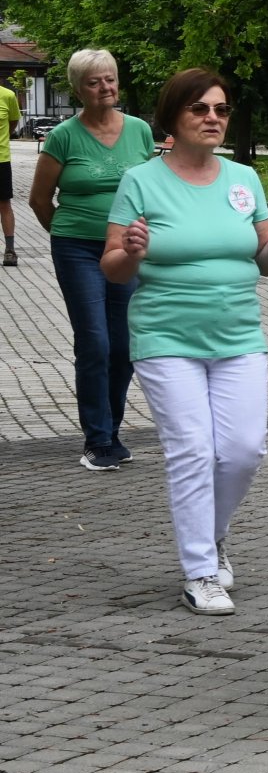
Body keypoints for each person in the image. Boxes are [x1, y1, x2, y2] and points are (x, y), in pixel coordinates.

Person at [101, 69, 268, 614]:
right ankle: (199, 570)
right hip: (166, 336)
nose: (213, 118)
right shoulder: (141, 180)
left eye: (221, 110)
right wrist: (132, 251)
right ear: (173, 117)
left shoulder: (243, 179)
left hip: (238, 335)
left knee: (242, 450)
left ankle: (211, 535)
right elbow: (112, 268)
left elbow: (266, 264)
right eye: (200, 109)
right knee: (191, 449)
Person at [29, 49, 155, 470]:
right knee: (95, 342)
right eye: (94, 81)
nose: (105, 88)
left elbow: (151, 191)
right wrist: (70, 235)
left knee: (123, 345)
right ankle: (97, 439)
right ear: (79, 88)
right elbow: (39, 199)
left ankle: (112, 431)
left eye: (110, 79)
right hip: (78, 249)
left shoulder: (139, 131)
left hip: (126, 251)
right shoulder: (64, 135)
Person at [0, 77, 20, 266]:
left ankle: (10, 249)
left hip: (1, 159)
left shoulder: (8, 95)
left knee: (4, 203)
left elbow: (13, 122)